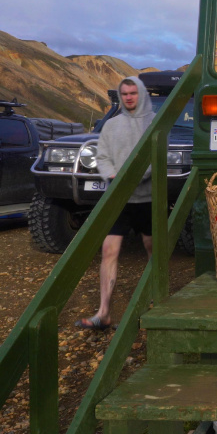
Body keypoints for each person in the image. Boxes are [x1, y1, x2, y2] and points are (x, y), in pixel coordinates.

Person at [75, 76, 155, 330]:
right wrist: (111, 174)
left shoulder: (154, 123)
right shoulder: (111, 125)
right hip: (117, 198)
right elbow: (102, 156)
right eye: (125, 93)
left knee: (153, 249)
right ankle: (104, 312)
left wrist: (131, 178)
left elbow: (155, 158)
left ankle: (158, 299)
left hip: (146, 197)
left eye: (133, 93)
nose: (129, 97)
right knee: (109, 251)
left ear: (140, 94)